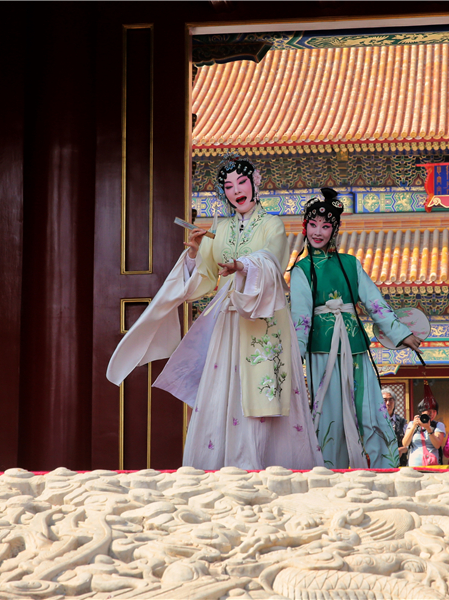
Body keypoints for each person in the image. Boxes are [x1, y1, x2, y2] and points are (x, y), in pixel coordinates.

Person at [106, 154, 323, 471]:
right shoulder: (219, 228)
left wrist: (243, 266)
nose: (237, 190)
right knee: (224, 388)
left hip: (262, 317)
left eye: (242, 182)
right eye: (229, 186)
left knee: (263, 391)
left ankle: (267, 463)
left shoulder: (272, 224)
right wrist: (195, 254)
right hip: (228, 319)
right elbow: (205, 279)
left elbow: (272, 260)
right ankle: (223, 462)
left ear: (255, 183)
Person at [290, 188, 423, 469]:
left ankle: (384, 468)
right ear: (305, 227)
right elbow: (300, 317)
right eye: (313, 225)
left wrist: (402, 333)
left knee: (370, 408)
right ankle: (329, 471)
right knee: (328, 413)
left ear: (334, 230)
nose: (318, 232)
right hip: (321, 350)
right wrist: (294, 355)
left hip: (355, 348)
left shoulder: (351, 264)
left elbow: (374, 302)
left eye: (325, 226)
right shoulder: (301, 269)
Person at [382, 388, 409, 467]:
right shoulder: (375, 421)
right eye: (384, 400)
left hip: (399, 463)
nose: (388, 403)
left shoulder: (402, 423)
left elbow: (408, 445)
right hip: (380, 462)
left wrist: (401, 450)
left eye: (391, 400)